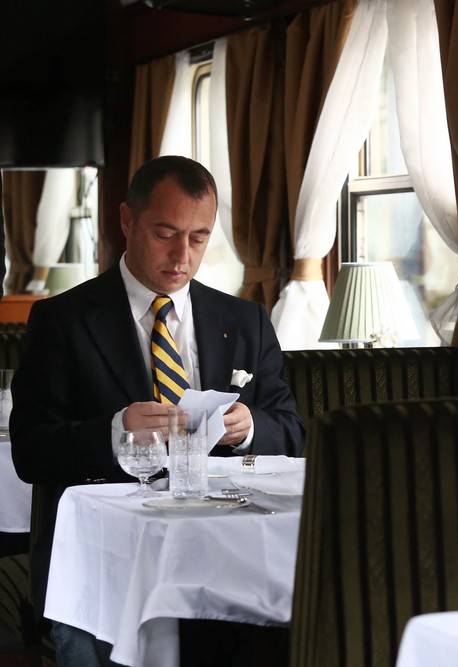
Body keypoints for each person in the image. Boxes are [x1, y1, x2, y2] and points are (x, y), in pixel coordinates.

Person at [10, 155, 304, 665]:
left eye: (199, 238)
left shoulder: (247, 320)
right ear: (127, 220)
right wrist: (114, 433)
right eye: (165, 233)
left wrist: (250, 428)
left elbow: (292, 431)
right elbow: (30, 451)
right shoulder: (62, 320)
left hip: (226, 553)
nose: (182, 256)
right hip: (101, 558)